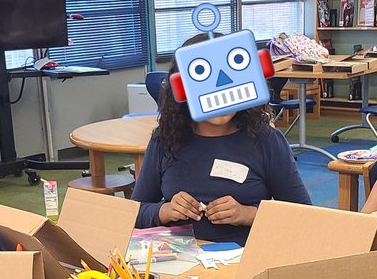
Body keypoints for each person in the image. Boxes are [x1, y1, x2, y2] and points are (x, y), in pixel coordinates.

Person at [132, 36, 311, 245]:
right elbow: (134, 212)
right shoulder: (165, 139)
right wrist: (165, 211)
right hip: (178, 260)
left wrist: (248, 215)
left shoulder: (265, 140)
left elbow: (304, 216)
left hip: (243, 259)